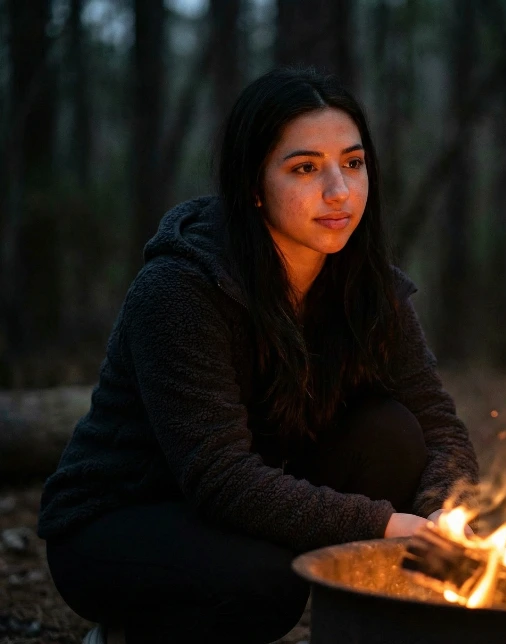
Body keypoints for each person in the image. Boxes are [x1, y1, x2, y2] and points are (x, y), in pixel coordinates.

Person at [37, 67, 479, 644]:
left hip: (245, 504)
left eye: (352, 163)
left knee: (392, 434)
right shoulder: (180, 291)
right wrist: (385, 524)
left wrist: (444, 513)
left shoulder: (369, 288)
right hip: (121, 518)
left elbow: (438, 423)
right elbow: (217, 474)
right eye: (305, 168)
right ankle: (133, 634)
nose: (339, 191)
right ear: (253, 186)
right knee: (267, 584)